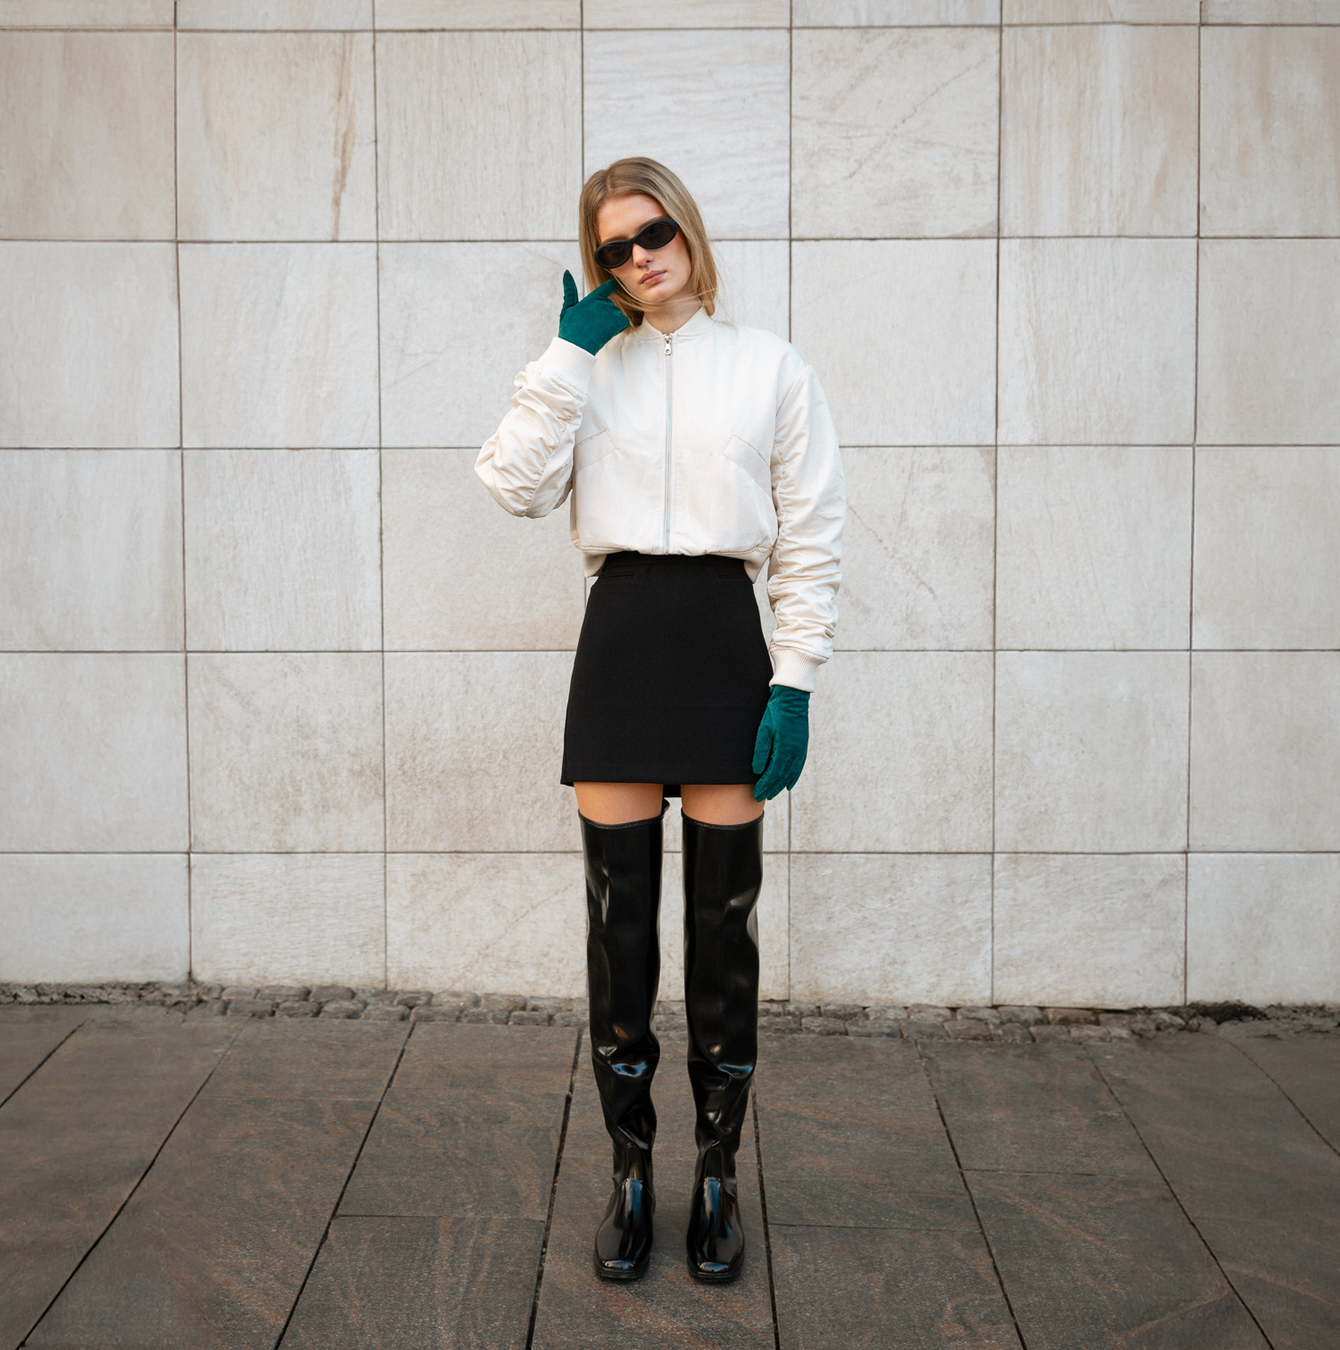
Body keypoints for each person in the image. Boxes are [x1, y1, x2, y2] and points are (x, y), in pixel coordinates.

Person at [476, 157, 844, 1285]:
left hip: (724, 642)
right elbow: (509, 483)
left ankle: (718, 1173)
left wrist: (793, 680)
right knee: (617, 931)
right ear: (596, 267)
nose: (639, 259)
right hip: (624, 638)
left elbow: (809, 537)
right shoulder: (584, 368)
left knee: (722, 936)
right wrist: (567, 355)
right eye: (613, 250)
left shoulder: (769, 366)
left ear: (686, 230)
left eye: (652, 234)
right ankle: (631, 1174)